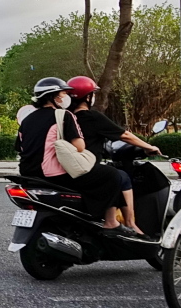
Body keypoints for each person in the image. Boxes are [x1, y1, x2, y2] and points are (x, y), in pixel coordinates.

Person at [16, 77, 135, 234]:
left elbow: (19, 147)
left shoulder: (27, 119)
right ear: (54, 96)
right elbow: (80, 146)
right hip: (53, 174)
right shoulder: (63, 115)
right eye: (64, 93)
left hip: (28, 174)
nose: (66, 97)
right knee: (111, 175)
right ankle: (111, 222)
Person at [68, 75, 161, 235]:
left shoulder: (66, 117)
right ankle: (131, 223)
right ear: (88, 97)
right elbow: (125, 136)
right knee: (122, 177)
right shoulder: (92, 117)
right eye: (93, 94)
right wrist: (149, 146)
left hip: (69, 168)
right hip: (88, 169)